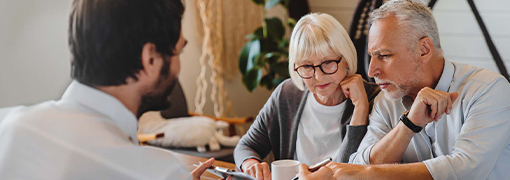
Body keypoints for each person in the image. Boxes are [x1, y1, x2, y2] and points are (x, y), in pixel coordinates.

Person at [0, 0, 217, 179]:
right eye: (178, 52)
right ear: (150, 59)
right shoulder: (158, 172)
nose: (178, 66)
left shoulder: (11, 127)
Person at [323, 0, 510, 180]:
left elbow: (465, 173)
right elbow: (359, 166)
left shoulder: (489, 90)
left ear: (424, 50)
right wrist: (408, 125)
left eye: (384, 55)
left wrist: (365, 173)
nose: (372, 71)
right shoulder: (386, 101)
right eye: (372, 56)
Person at [233, 13, 380, 180]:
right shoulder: (288, 94)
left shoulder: (375, 99)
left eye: (327, 63)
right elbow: (246, 146)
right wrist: (250, 164)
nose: (318, 76)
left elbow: (351, 170)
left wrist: (361, 108)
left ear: (346, 58)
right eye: (307, 66)